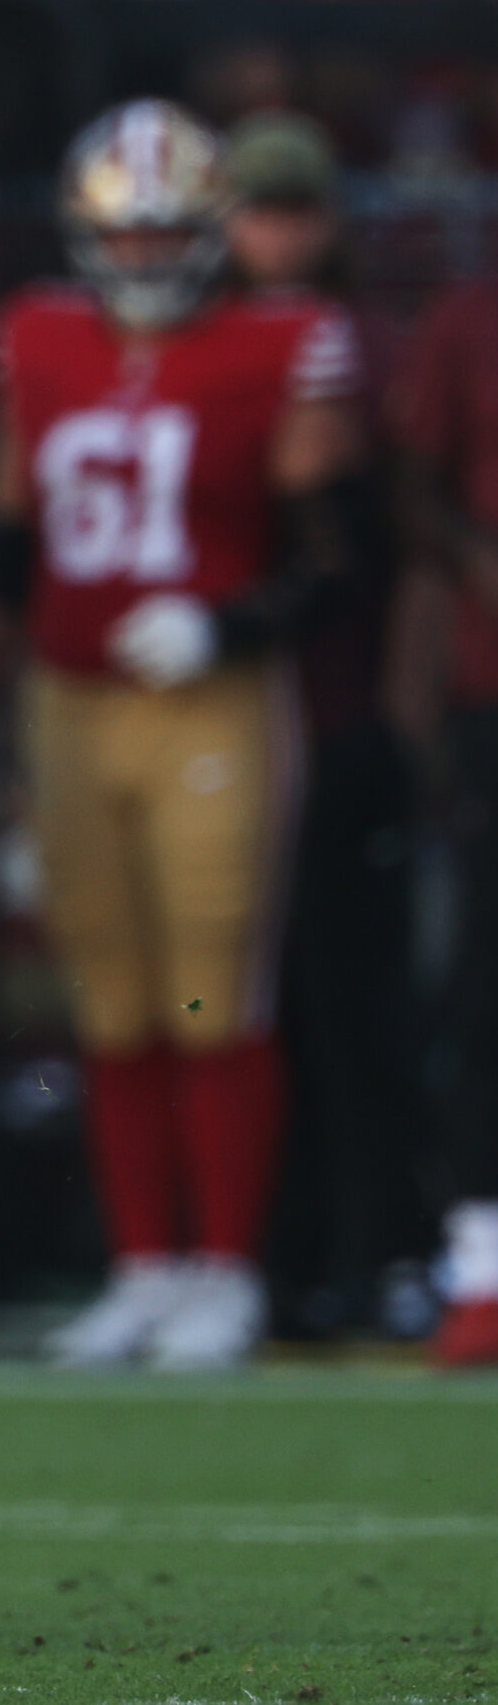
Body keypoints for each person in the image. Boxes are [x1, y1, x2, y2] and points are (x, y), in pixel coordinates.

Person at [0, 100, 362, 1371]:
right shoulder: (34, 336)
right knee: (110, 992)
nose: (141, 255)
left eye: (164, 233)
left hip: (212, 702)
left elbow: (331, 552)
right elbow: (7, 528)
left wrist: (226, 622)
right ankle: (144, 1265)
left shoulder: (282, 341)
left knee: (209, 988)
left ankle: (226, 1267)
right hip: (69, 694)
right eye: (121, 233)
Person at [220, 114, 424, 1344]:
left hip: (328, 711)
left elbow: (381, 549)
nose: (276, 234)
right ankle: (279, 1258)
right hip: (225, 723)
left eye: (295, 210)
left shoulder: (360, 352)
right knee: (248, 1000)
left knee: (356, 996)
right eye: (258, 209)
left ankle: (380, 1242)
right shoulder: (203, 352)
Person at [389, 256, 498, 1370]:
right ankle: (480, 1259)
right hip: (491, 684)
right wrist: (475, 561)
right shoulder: (467, 314)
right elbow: (413, 489)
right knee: (483, 972)